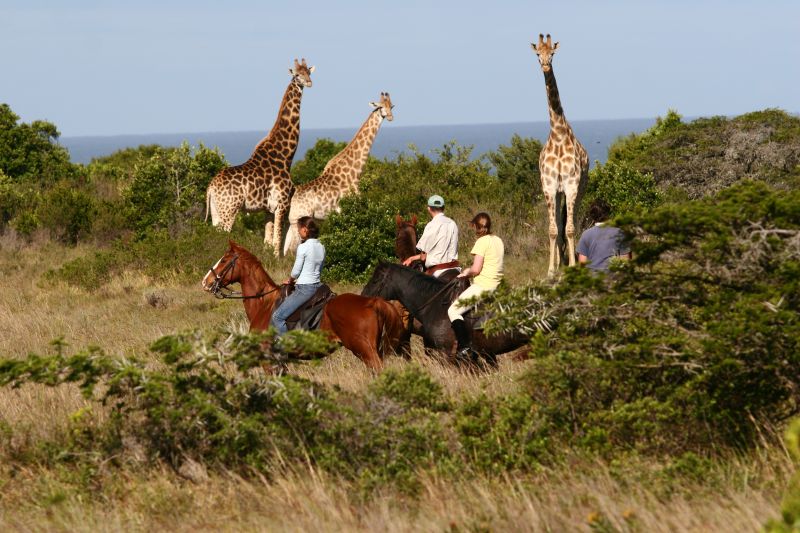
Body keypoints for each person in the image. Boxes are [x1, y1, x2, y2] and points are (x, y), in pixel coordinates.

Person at [448, 212, 504, 360]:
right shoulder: (498, 240)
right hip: (498, 286)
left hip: (484, 286)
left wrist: (465, 273)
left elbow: (476, 269)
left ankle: (465, 347)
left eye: (473, 226)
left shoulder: (482, 242)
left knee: (453, 311)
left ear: (476, 227)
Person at [271, 216, 325, 335]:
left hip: (305, 289)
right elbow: (319, 269)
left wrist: (290, 280)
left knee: (277, 317)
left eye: (299, 229)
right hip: (318, 286)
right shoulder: (321, 246)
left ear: (305, 230)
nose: (298, 231)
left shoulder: (303, 247)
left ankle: (286, 348)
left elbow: (296, 271)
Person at [402, 194, 459, 277]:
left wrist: (412, 259)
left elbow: (423, 257)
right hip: (455, 269)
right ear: (443, 208)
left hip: (436, 272)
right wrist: (412, 258)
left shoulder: (431, 225)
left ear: (429, 209)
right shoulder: (452, 223)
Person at [576, 199, 631, 272]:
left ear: (592, 216)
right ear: (608, 213)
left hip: (592, 280)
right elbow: (625, 261)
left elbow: (582, 264)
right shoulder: (620, 233)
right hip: (613, 278)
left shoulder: (586, 234)